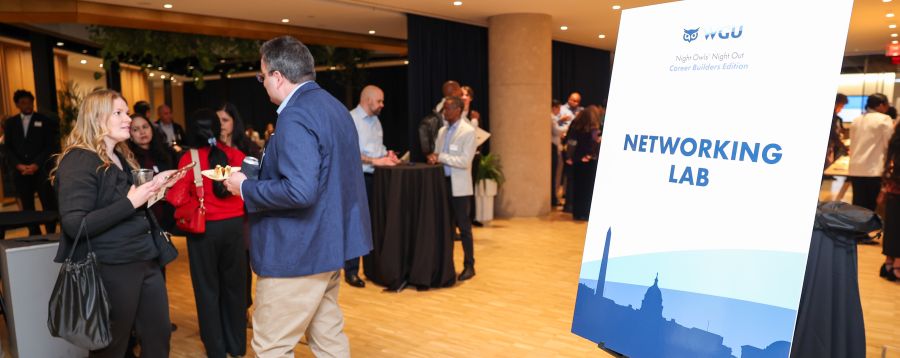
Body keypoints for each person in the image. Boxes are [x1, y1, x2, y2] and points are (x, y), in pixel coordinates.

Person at [223, 35, 372, 357]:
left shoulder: (295, 116)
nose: (262, 84)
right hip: (329, 244)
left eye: (262, 77)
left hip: (297, 252)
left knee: (272, 346)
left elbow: (300, 191)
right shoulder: (334, 108)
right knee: (328, 337)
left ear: (278, 76)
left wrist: (244, 187)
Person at [52, 89, 180, 357]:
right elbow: (76, 224)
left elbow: (125, 204)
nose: (128, 119)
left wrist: (155, 188)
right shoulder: (79, 160)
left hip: (146, 258)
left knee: (159, 337)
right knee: (113, 346)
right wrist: (132, 201)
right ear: (96, 118)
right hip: (112, 266)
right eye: (118, 113)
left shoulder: (120, 156)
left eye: (127, 111)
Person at [168, 109, 248, 358]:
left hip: (204, 230)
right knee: (235, 289)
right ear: (218, 129)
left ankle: (216, 349)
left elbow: (176, 197)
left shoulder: (188, 159)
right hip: (235, 228)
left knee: (207, 290)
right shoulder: (237, 155)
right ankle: (237, 346)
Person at [346, 85, 399, 288]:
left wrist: (387, 155)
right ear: (368, 101)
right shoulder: (351, 120)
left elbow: (378, 148)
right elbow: (351, 154)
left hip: (376, 179)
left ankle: (372, 267)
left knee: (373, 223)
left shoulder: (376, 121)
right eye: (379, 101)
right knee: (355, 225)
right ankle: (351, 270)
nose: (382, 105)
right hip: (357, 179)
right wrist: (376, 161)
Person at [428, 96, 477, 281]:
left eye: (447, 108)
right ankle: (446, 265)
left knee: (464, 228)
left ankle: (469, 265)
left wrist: (440, 157)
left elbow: (465, 162)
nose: (444, 112)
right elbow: (437, 152)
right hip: (443, 184)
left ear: (458, 110)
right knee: (446, 228)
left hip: (460, 188)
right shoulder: (442, 131)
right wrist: (434, 157)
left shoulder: (468, 132)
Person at [3, 89, 59, 235]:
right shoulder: (10, 123)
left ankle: (51, 233)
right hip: (20, 171)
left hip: (41, 170)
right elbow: (7, 148)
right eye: (23, 102)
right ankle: (34, 234)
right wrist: (18, 165)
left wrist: (36, 164)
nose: (27, 105)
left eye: (29, 102)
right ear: (17, 104)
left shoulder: (45, 121)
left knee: (48, 203)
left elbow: (49, 146)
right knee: (27, 206)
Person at [128, 114, 177, 232]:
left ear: (152, 129)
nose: (142, 132)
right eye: (135, 129)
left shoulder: (167, 153)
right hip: (145, 217)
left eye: (145, 127)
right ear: (129, 135)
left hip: (171, 214)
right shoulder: (128, 159)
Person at [849, 93, 893, 211]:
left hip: (855, 168)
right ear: (880, 105)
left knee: (858, 205)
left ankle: (858, 229)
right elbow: (889, 144)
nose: (887, 108)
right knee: (873, 207)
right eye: (886, 105)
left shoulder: (856, 120)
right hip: (874, 169)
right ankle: (871, 229)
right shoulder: (884, 119)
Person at [567, 105, 603, 221]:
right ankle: (586, 213)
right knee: (588, 189)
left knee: (577, 187)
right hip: (589, 160)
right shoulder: (594, 127)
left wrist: (570, 156)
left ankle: (576, 212)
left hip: (577, 159)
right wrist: (590, 154)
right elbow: (594, 143)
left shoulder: (575, 124)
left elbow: (571, 142)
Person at [880, 120, 900, 281]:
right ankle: (897, 264)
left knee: (892, 225)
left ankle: (888, 262)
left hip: (893, 188)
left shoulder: (895, 140)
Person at [551, 99, 572, 207]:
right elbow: (556, 131)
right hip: (554, 148)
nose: (559, 111)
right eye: (558, 108)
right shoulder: (551, 117)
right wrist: (568, 128)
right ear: (554, 108)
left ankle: (555, 196)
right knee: (556, 175)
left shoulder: (554, 118)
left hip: (557, 147)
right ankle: (554, 197)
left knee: (558, 174)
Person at [826, 93, 849, 169]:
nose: (841, 109)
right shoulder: (834, 118)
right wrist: (845, 148)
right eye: (841, 106)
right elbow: (833, 135)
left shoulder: (837, 118)